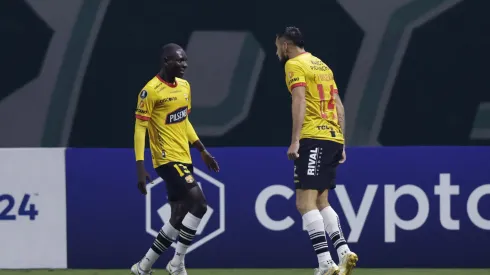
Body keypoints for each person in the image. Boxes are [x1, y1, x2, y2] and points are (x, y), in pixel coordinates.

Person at [275, 27, 358, 275]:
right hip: (332, 137)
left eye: (277, 45)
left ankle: (325, 262)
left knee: (303, 203)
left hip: (313, 137)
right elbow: (339, 105)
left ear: (286, 45)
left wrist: (295, 140)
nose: (277, 50)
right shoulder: (322, 65)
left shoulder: (294, 65)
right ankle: (343, 252)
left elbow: (299, 100)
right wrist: (341, 141)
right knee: (321, 201)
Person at [131, 43, 219, 275]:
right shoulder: (150, 91)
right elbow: (140, 129)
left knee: (178, 217)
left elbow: (184, 122)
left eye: (185, 60)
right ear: (166, 61)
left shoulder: (184, 87)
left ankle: (143, 267)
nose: (184, 65)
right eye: (179, 61)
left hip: (184, 156)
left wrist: (201, 149)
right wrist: (140, 165)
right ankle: (177, 264)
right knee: (199, 205)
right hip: (166, 159)